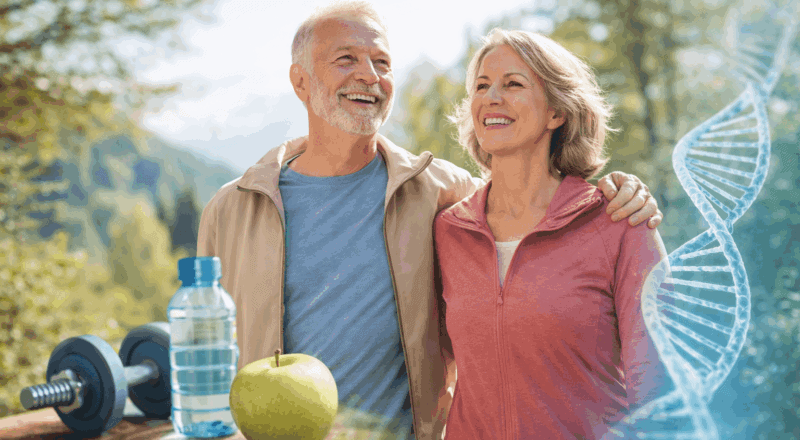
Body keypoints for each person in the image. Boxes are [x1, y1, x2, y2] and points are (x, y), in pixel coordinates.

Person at [196, 2, 662, 439]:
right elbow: (204, 351)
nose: (369, 76)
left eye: (382, 62)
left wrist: (622, 193)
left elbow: (537, 207)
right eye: (346, 59)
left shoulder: (439, 194)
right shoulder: (233, 210)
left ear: (558, 110)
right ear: (300, 82)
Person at [433, 28, 669, 440]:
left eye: (513, 84)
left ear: (556, 112)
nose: (491, 97)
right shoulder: (449, 230)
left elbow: (660, 385)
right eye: (482, 86)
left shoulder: (618, 222)